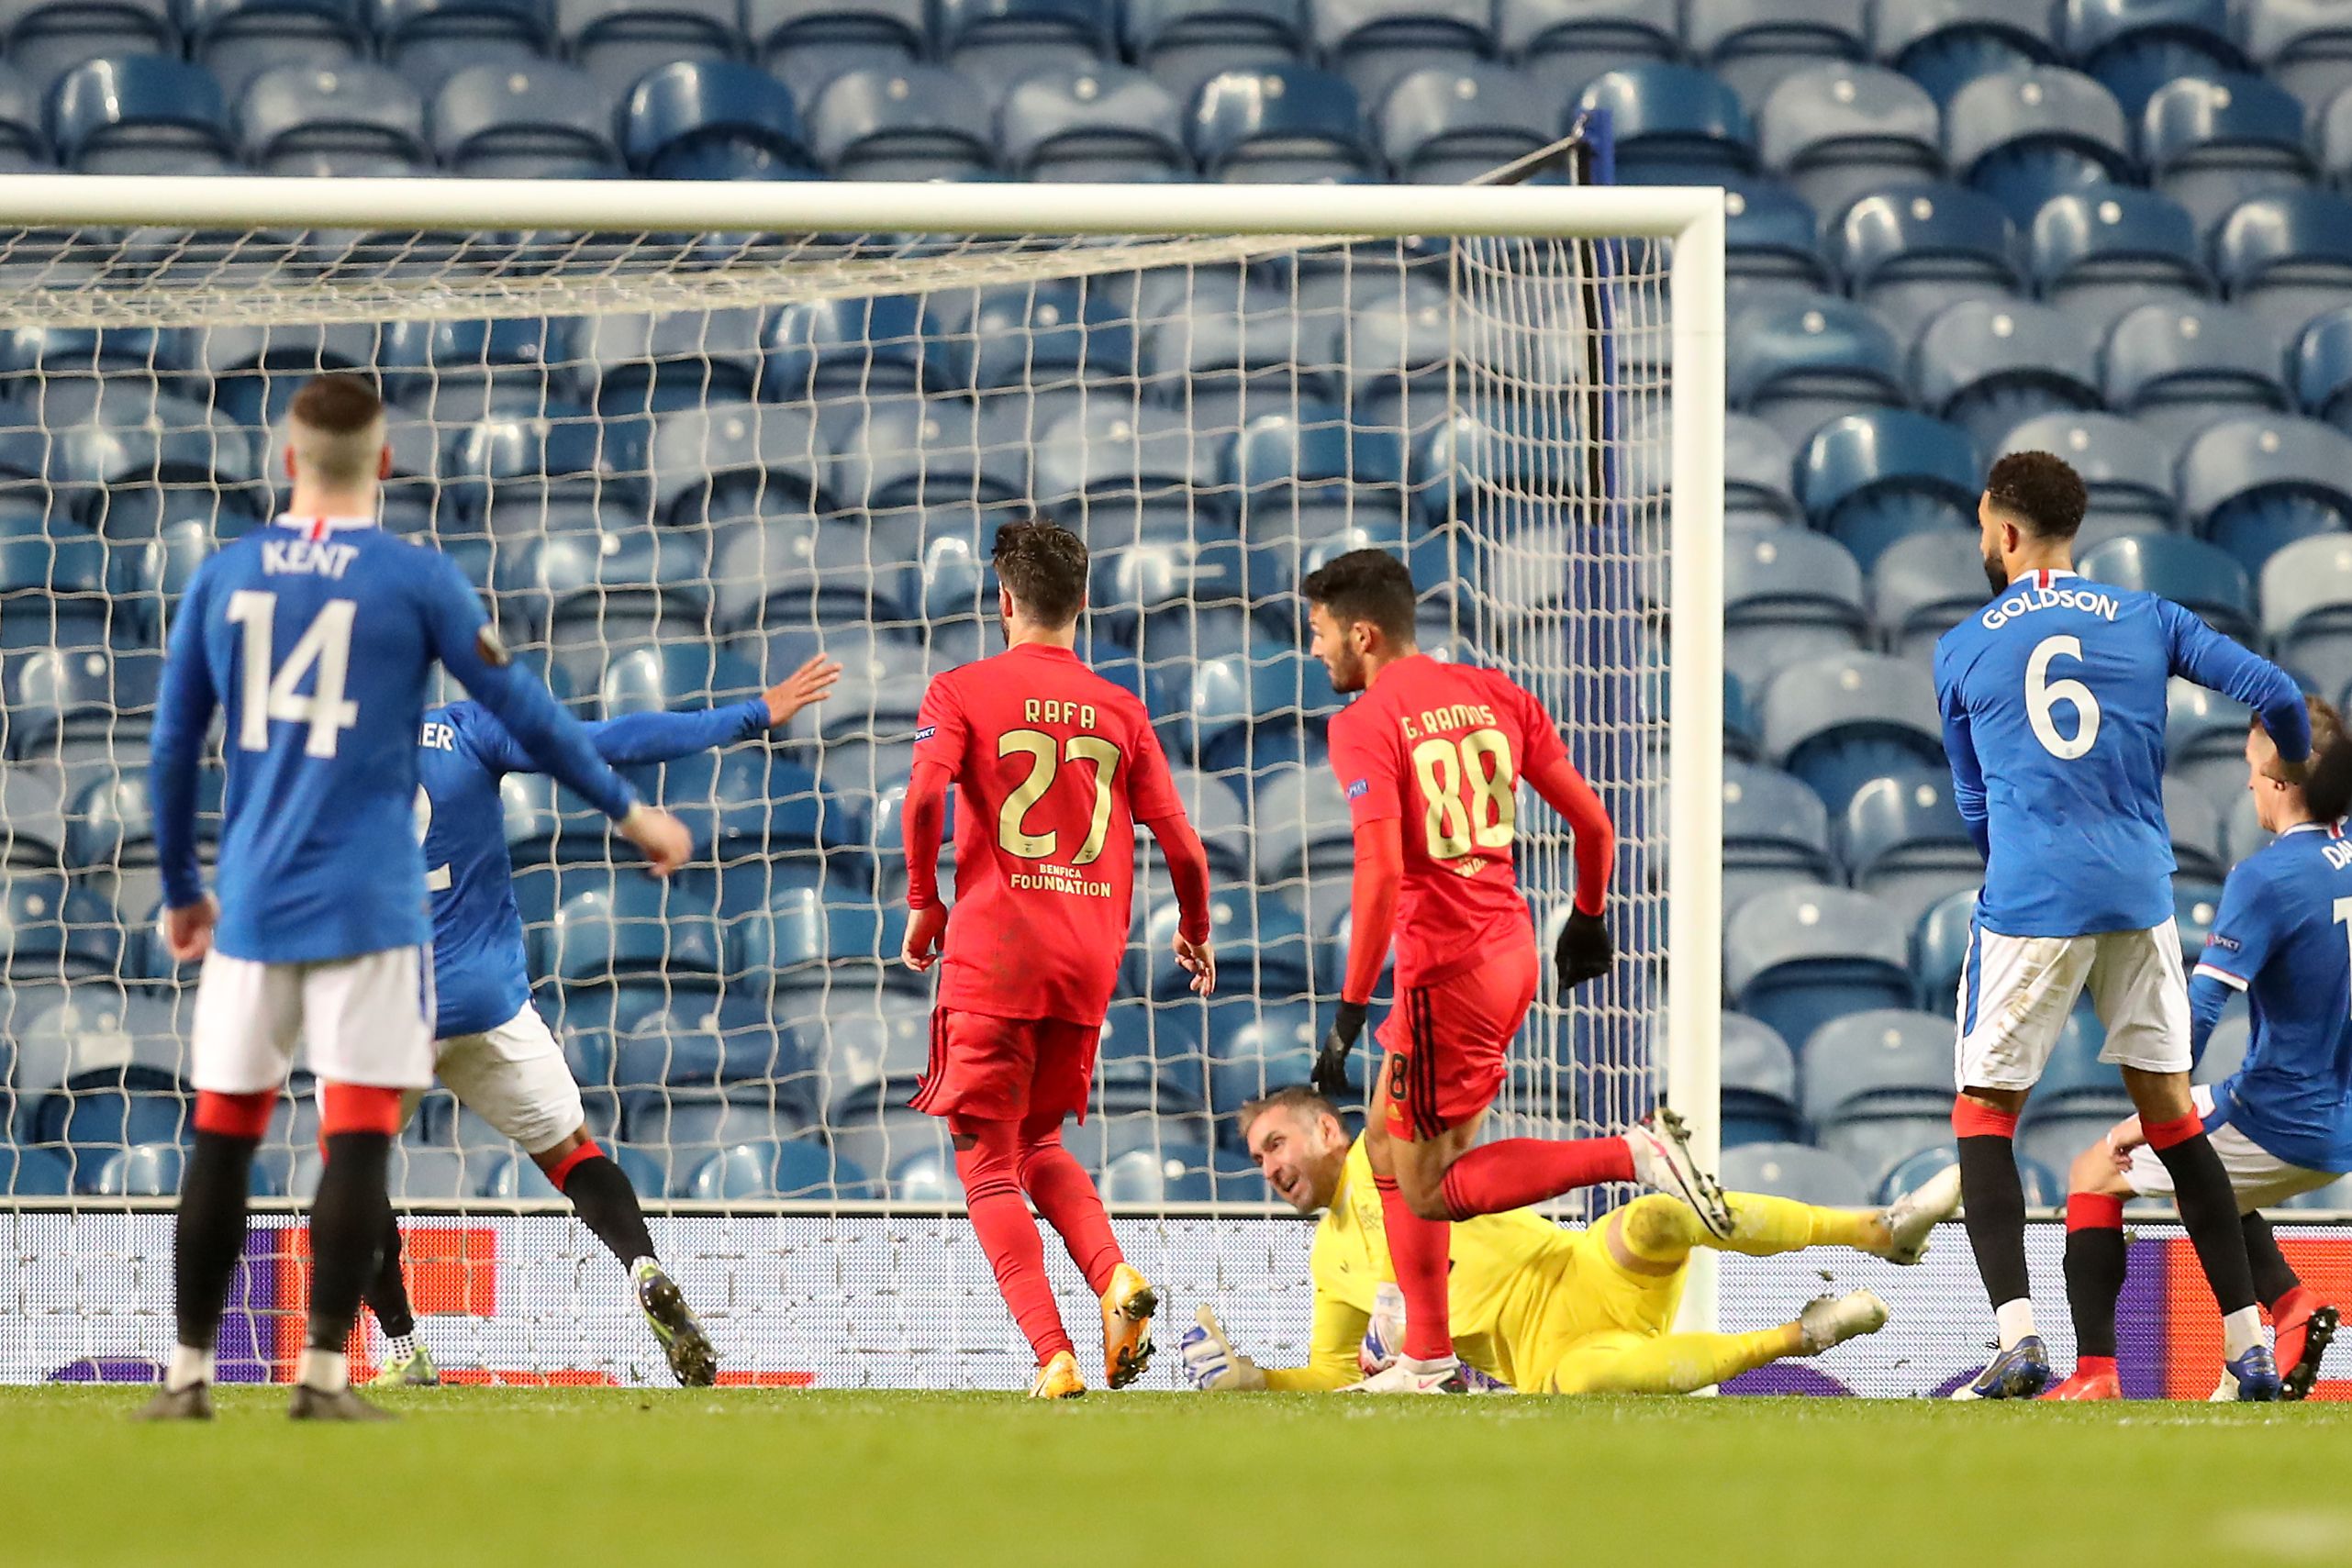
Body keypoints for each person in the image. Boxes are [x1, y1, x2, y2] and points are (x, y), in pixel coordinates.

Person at [138, 374, 689, 1421]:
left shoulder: (226, 575)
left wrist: (181, 888)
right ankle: (324, 1378)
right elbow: (529, 711)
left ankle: (187, 1374)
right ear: (385, 463)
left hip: (257, 901)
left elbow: (171, 748)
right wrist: (628, 811)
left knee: (225, 1132)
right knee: (358, 1139)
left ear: (287, 462)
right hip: (374, 917)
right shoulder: (416, 578)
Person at [1299, 548, 1730, 1395]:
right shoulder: (1494, 692)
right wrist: (1589, 914)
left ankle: (1631, 1152)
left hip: (1444, 971)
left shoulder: (1363, 723)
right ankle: (1425, 1355)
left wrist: (1348, 1010)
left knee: (1428, 1186)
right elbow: (1594, 822)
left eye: (1318, 632)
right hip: (1509, 947)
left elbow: (1380, 874)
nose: (1314, 649)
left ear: (1363, 633)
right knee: (1384, 1137)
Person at [1934, 450, 2313, 1402]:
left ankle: (2018, 1338)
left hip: (2030, 896)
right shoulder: (2148, 616)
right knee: (2172, 1120)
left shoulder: (1962, 646)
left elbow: (1973, 803)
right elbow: (2273, 690)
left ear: (2005, 532)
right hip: (2139, 894)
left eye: (1983, 528)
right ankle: (2248, 1346)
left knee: (1984, 1114)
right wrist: (2305, 777)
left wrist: (2018, 860)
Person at [361, 654, 841, 1390]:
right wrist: (751, 713)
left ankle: (403, 1347)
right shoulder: (465, 730)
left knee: (352, 1172)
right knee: (571, 1153)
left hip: (389, 1010)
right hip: (488, 1002)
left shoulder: (321, 765)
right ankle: (641, 1263)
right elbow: (612, 739)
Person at [898, 517, 1216, 1399]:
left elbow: (923, 797)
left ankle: (1054, 1354)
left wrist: (924, 900)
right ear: (1082, 603)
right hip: (1085, 963)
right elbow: (1185, 847)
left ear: (1003, 601)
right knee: (1037, 1140)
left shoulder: (960, 689)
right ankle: (1114, 1276)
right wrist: (1194, 926)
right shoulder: (1122, 709)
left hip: (995, 955)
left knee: (986, 1163)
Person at [1177, 1087, 1956, 1395]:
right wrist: (1256, 1379)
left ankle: (1875, 1230)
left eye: (1275, 1143)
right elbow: (1332, 1372)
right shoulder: (1326, 1258)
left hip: (1581, 1267)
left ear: (1325, 1128)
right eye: (1257, 1159)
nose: (1268, 1167)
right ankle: (1803, 1332)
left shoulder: (1395, 1154)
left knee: (1654, 1217)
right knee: (1593, 1383)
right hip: (1543, 1357)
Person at [2047, 700, 2352, 1401]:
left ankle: (2094, 1373)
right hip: (2337, 1115)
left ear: (2279, 780)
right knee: (2208, 1181)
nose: (2246, 784)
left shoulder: (2266, 877)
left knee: (2096, 1169)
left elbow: (2201, 1010)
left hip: (2279, 1115)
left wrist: (2158, 1113)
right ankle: (2290, 1309)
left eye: (2251, 769)